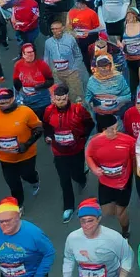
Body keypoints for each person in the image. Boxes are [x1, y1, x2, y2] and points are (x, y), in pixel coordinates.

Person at [43, 85, 93, 222]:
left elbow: (90, 124)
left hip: (76, 149)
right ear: (53, 99)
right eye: (57, 99)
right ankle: (68, 207)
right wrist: (48, 136)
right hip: (58, 151)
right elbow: (46, 126)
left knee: (76, 174)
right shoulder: (48, 111)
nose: (60, 102)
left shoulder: (78, 110)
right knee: (64, 179)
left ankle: (82, 178)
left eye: (63, 99)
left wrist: (81, 137)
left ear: (67, 97)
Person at [0, 87, 44, 203]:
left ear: (13, 99)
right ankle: (19, 204)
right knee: (12, 183)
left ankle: (34, 179)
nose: (2, 106)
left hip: (26, 154)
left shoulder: (25, 111)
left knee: (27, 175)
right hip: (5, 156)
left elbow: (38, 129)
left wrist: (26, 145)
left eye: (5, 103)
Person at [85, 117, 135, 238]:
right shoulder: (95, 142)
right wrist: (94, 169)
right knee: (107, 212)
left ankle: (125, 232)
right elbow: (89, 155)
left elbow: (135, 155)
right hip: (105, 182)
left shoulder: (127, 140)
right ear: (103, 130)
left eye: (116, 128)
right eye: (111, 129)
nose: (115, 131)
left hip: (123, 182)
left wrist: (137, 172)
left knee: (120, 212)